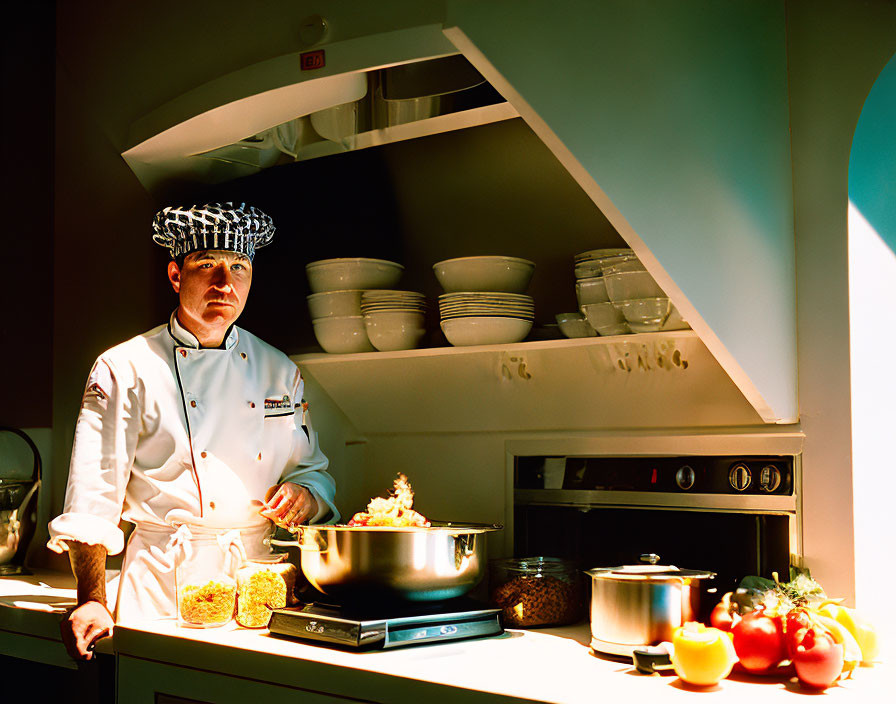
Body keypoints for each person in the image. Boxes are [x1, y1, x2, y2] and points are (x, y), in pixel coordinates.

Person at [48, 202, 338, 660]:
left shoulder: (279, 369)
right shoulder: (125, 367)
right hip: (162, 586)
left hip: (260, 590)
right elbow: (92, 498)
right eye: (208, 266)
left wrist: (306, 493)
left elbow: (312, 470)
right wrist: (92, 600)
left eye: (238, 267)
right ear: (175, 275)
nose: (225, 283)